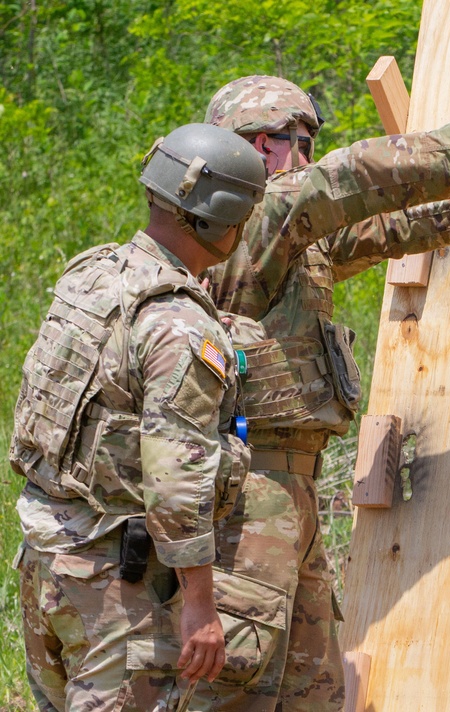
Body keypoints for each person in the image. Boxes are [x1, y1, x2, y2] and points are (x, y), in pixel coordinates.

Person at [193, 75, 450, 710]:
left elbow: (396, 228)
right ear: (247, 146)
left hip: (290, 491)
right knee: (237, 683)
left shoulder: (290, 234)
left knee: (312, 688)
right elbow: (351, 180)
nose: (304, 153)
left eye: (309, 140)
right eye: (291, 140)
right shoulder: (244, 223)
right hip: (249, 490)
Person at [10, 122, 268, 711]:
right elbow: (176, 479)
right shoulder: (179, 322)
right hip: (114, 583)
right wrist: (200, 604)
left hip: (46, 556)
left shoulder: (92, 274)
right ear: (221, 218)